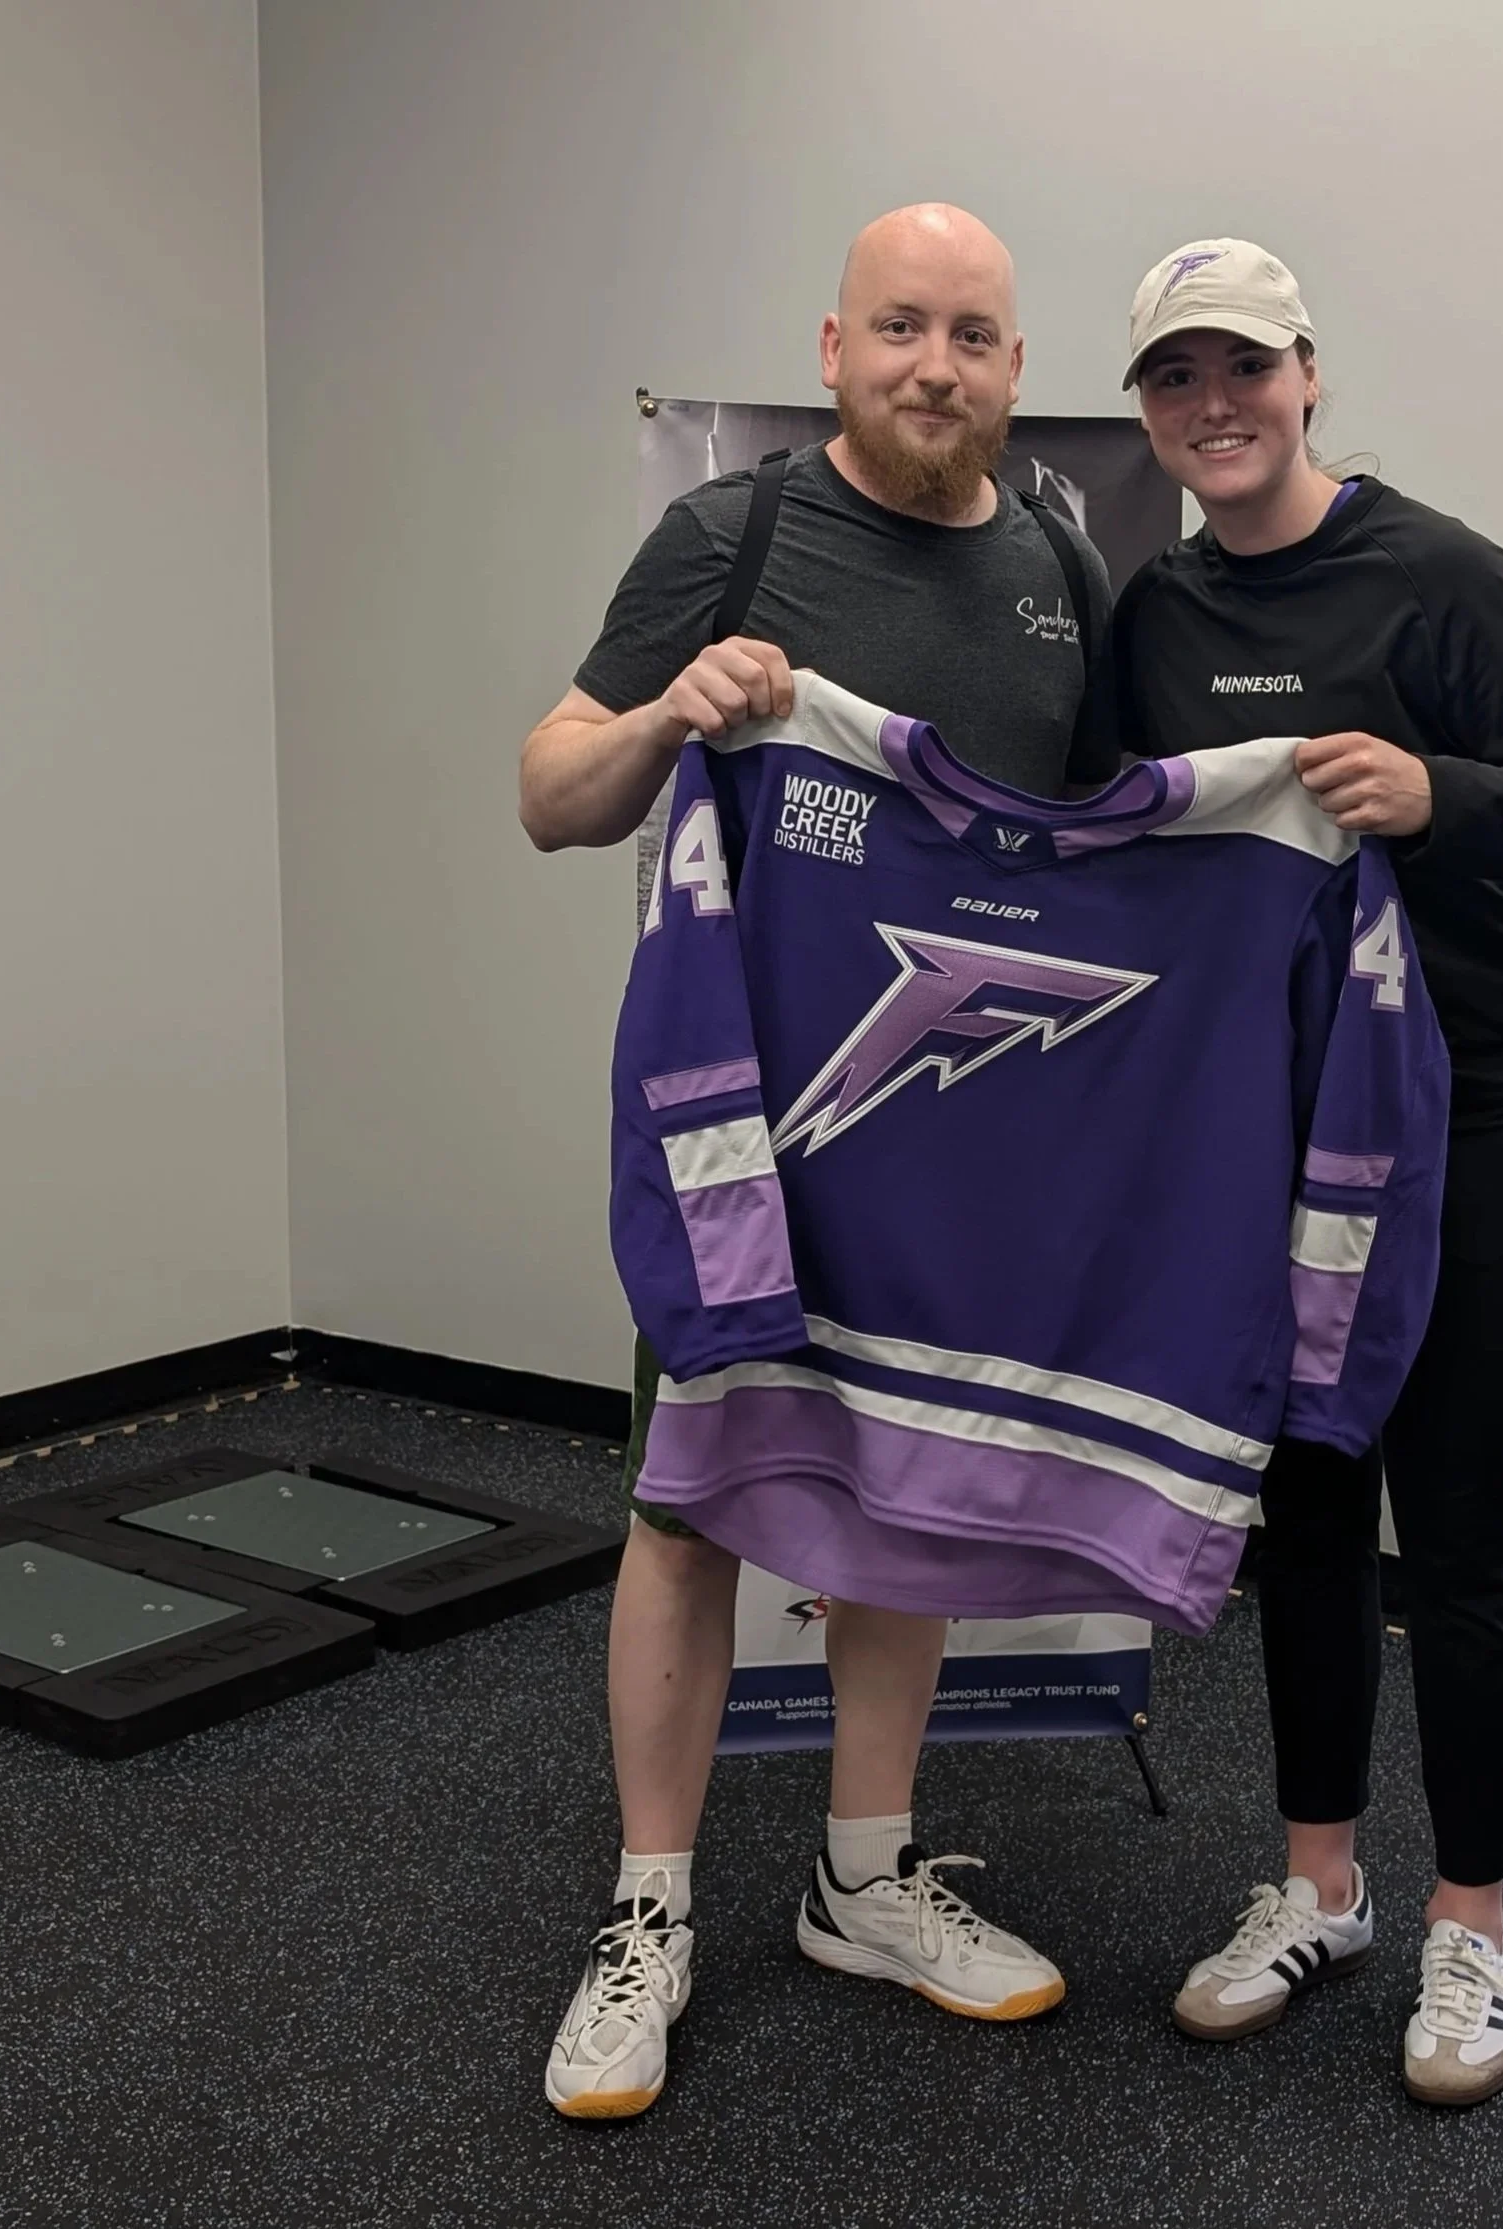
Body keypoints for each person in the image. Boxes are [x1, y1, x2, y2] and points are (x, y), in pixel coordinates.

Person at [519, 202, 1112, 2119]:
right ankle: (650, 1908)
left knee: (909, 1492)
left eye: (977, 336)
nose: (938, 366)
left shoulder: (1058, 560)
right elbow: (550, 788)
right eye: (902, 329)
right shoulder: (735, 534)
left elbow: (1107, 837)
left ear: (1021, 371)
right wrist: (671, 714)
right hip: (748, 1135)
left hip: (961, 1130)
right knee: (690, 1503)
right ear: (837, 343)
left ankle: (864, 1877)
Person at [1110, 239, 1503, 2105]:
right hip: (1262, 1146)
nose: (1213, 407)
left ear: (1309, 375)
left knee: (1466, 1533)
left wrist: (1445, 796)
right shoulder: (1156, 613)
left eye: (1242, 370)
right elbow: (1123, 852)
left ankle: (1474, 1928)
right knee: (1307, 1524)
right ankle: (1321, 1884)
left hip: (1472, 1131)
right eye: (1176, 380)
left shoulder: (1452, 582)